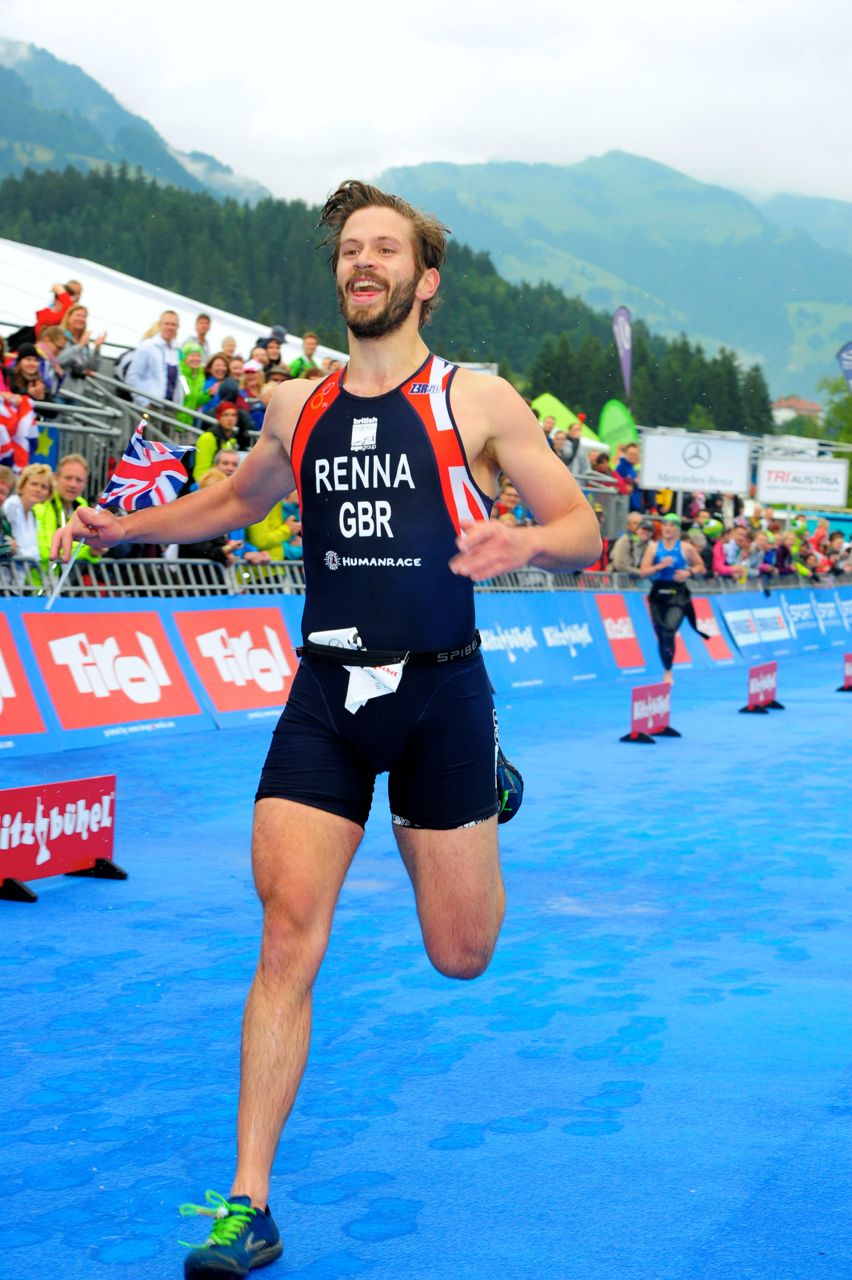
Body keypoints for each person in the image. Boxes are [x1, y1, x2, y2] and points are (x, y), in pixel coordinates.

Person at [52, 178, 601, 1280]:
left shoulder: (477, 398)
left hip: (444, 694)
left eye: (385, 248)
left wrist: (527, 545)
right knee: (286, 933)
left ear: (424, 280)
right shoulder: (297, 406)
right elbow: (237, 504)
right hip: (326, 696)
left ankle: (480, 778)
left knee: (461, 952)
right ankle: (247, 1202)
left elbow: (582, 526)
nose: (364, 262)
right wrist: (130, 524)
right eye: (350, 248)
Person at [638, 512, 708, 683]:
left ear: (677, 529)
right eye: (666, 525)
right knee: (662, 633)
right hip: (658, 595)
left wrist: (688, 572)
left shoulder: (686, 548)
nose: (668, 528)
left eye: (672, 525)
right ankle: (667, 667)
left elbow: (701, 567)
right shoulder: (653, 547)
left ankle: (668, 672)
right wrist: (660, 566)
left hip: (678, 597)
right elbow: (642, 572)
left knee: (669, 630)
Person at [125, 311, 184, 407]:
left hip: (169, 407)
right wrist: (144, 402)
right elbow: (132, 376)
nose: (170, 327)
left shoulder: (177, 350)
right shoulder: (147, 346)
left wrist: (178, 402)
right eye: (167, 324)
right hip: (149, 406)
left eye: (173, 325)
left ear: (178, 327)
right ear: (160, 325)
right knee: (142, 423)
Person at [609, 511, 654, 576]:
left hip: (632, 580)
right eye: (635, 523)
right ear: (628, 525)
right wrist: (640, 573)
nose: (638, 526)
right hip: (619, 578)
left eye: (640, 523)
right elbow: (619, 565)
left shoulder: (645, 543)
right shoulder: (625, 540)